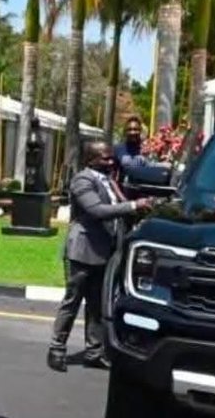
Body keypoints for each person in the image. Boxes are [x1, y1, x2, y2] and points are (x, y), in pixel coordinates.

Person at [48, 141, 145, 372]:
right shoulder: (82, 180)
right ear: (90, 159)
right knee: (72, 301)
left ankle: (94, 352)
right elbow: (97, 211)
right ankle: (56, 349)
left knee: (97, 304)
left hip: (104, 251)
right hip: (82, 251)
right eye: (105, 158)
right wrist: (133, 205)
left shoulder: (109, 181)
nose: (111, 162)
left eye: (112, 157)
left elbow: (117, 207)